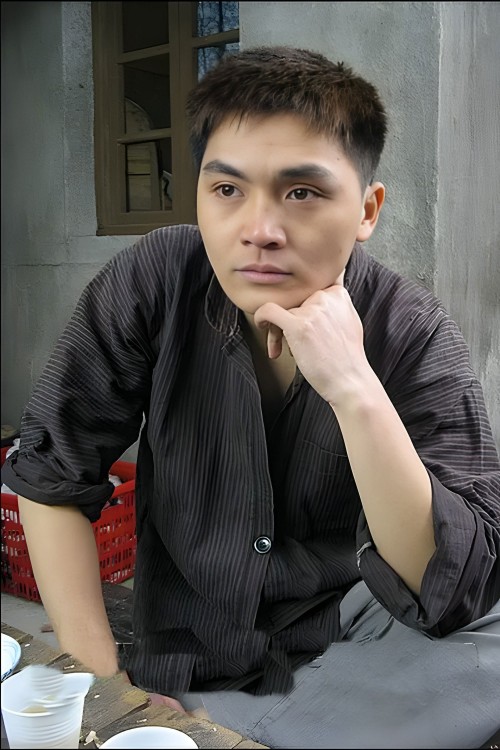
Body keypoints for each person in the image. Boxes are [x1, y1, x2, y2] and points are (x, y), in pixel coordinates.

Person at [2, 46, 499, 749]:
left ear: (366, 210)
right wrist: (108, 687)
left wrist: (355, 388)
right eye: (227, 190)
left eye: (302, 193)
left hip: (357, 633)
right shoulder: (156, 281)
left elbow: (452, 586)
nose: (259, 231)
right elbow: (52, 475)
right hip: (191, 642)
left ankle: (248, 724)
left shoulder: (411, 329)